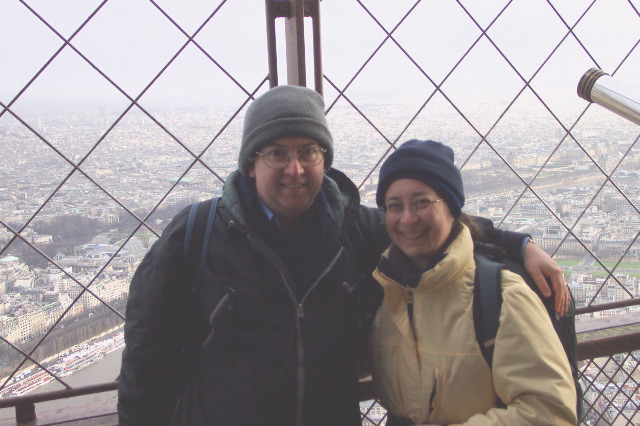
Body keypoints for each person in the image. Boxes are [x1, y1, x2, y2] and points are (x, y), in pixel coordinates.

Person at [117, 85, 569, 425]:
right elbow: (145, 361)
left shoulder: (356, 228)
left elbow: (434, 227)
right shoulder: (194, 236)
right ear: (251, 163)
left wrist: (519, 244)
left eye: (308, 152)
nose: (295, 169)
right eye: (277, 153)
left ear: (325, 160)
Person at [368, 139, 577, 425]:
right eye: (394, 206)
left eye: (422, 202)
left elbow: (549, 412)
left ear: (453, 209)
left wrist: (521, 245)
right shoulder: (382, 292)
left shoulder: (503, 296)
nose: (407, 218)